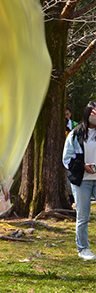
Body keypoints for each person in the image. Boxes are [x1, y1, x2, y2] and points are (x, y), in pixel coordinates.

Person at [62, 101, 96, 261]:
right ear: (88, 113)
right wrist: (83, 166)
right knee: (83, 215)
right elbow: (67, 158)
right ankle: (83, 248)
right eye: (94, 113)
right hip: (82, 181)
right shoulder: (76, 134)